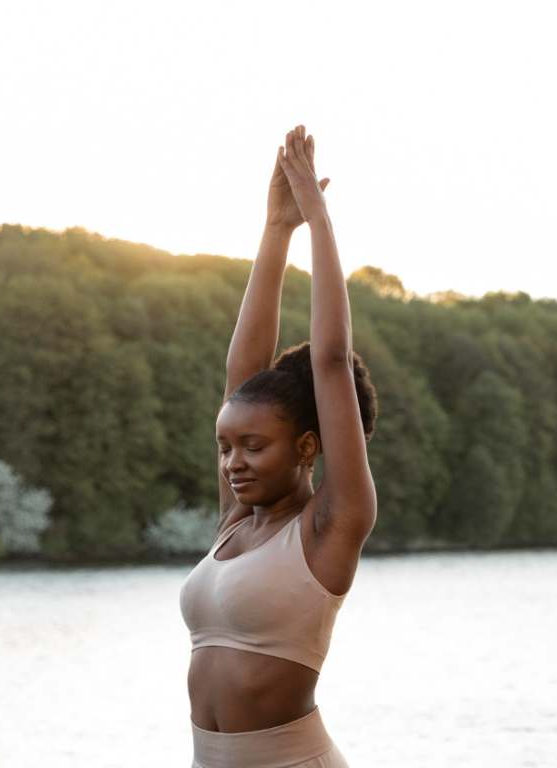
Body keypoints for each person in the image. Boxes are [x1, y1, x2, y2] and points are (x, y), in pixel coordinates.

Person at [179, 125, 378, 768]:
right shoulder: (237, 522)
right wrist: (275, 230)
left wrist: (318, 222)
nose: (234, 462)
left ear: (307, 447)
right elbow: (243, 372)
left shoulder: (329, 527)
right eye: (225, 447)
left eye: (254, 447)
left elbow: (328, 360)